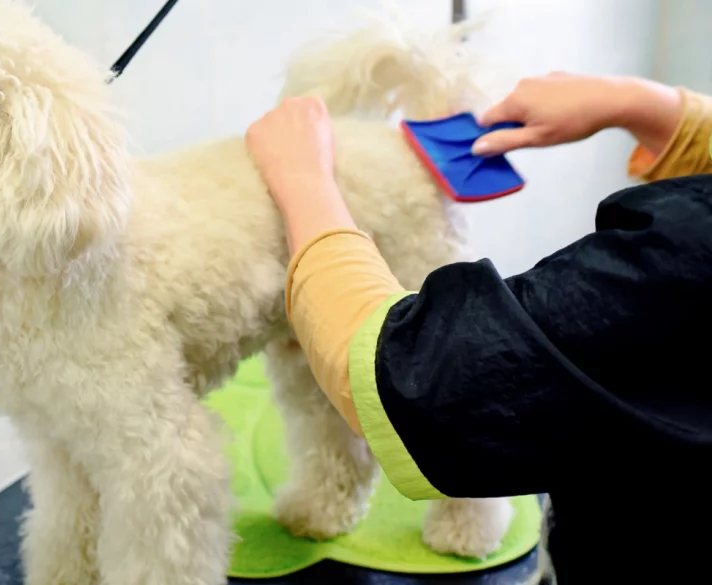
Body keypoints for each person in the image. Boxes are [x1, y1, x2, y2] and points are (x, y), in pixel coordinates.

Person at [245, 72, 712, 584]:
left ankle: (463, 513)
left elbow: (426, 376)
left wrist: (304, 183)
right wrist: (650, 106)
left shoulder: (680, 259)